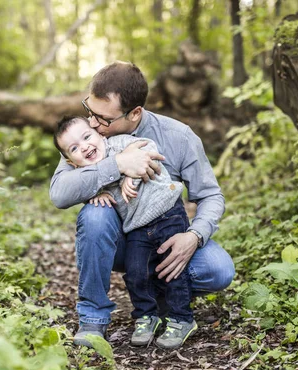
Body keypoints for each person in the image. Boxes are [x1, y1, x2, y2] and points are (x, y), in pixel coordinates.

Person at [49, 61, 235, 347]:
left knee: (217, 268)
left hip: (163, 236)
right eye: (90, 111)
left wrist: (194, 236)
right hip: (118, 242)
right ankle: (93, 319)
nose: (94, 124)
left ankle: (161, 296)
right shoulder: (84, 137)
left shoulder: (178, 136)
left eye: (104, 119)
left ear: (135, 113)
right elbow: (60, 193)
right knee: (95, 216)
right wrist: (117, 164)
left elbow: (210, 195)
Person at [54, 116, 196, 348]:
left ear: (100, 134)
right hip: (138, 226)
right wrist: (93, 195)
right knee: (136, 272)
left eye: (87, 137)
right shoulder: (89, 173)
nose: (85, 147)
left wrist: (131, 171)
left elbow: (148, 147)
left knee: (172, 267)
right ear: (72, 162)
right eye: (75, 148)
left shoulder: (119, 144)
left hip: (167, 212)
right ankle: (146, 316)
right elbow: (66, 192)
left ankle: (182, 318)